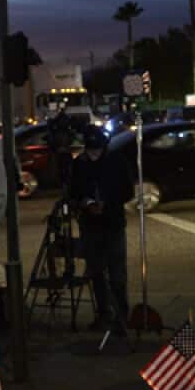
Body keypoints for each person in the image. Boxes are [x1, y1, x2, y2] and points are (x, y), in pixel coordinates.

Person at [70, 128, 132, 335]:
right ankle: (104, 314)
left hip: (113, 223)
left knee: (117, 274)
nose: (93, 154)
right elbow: (74, 190)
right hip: (90, 225)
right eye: (90, 150)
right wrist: (87, 203)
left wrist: (107, 203)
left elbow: (127, 191)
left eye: (97, 150)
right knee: (96, 272)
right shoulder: (79, 164)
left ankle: (121, 317)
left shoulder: (116, 162)